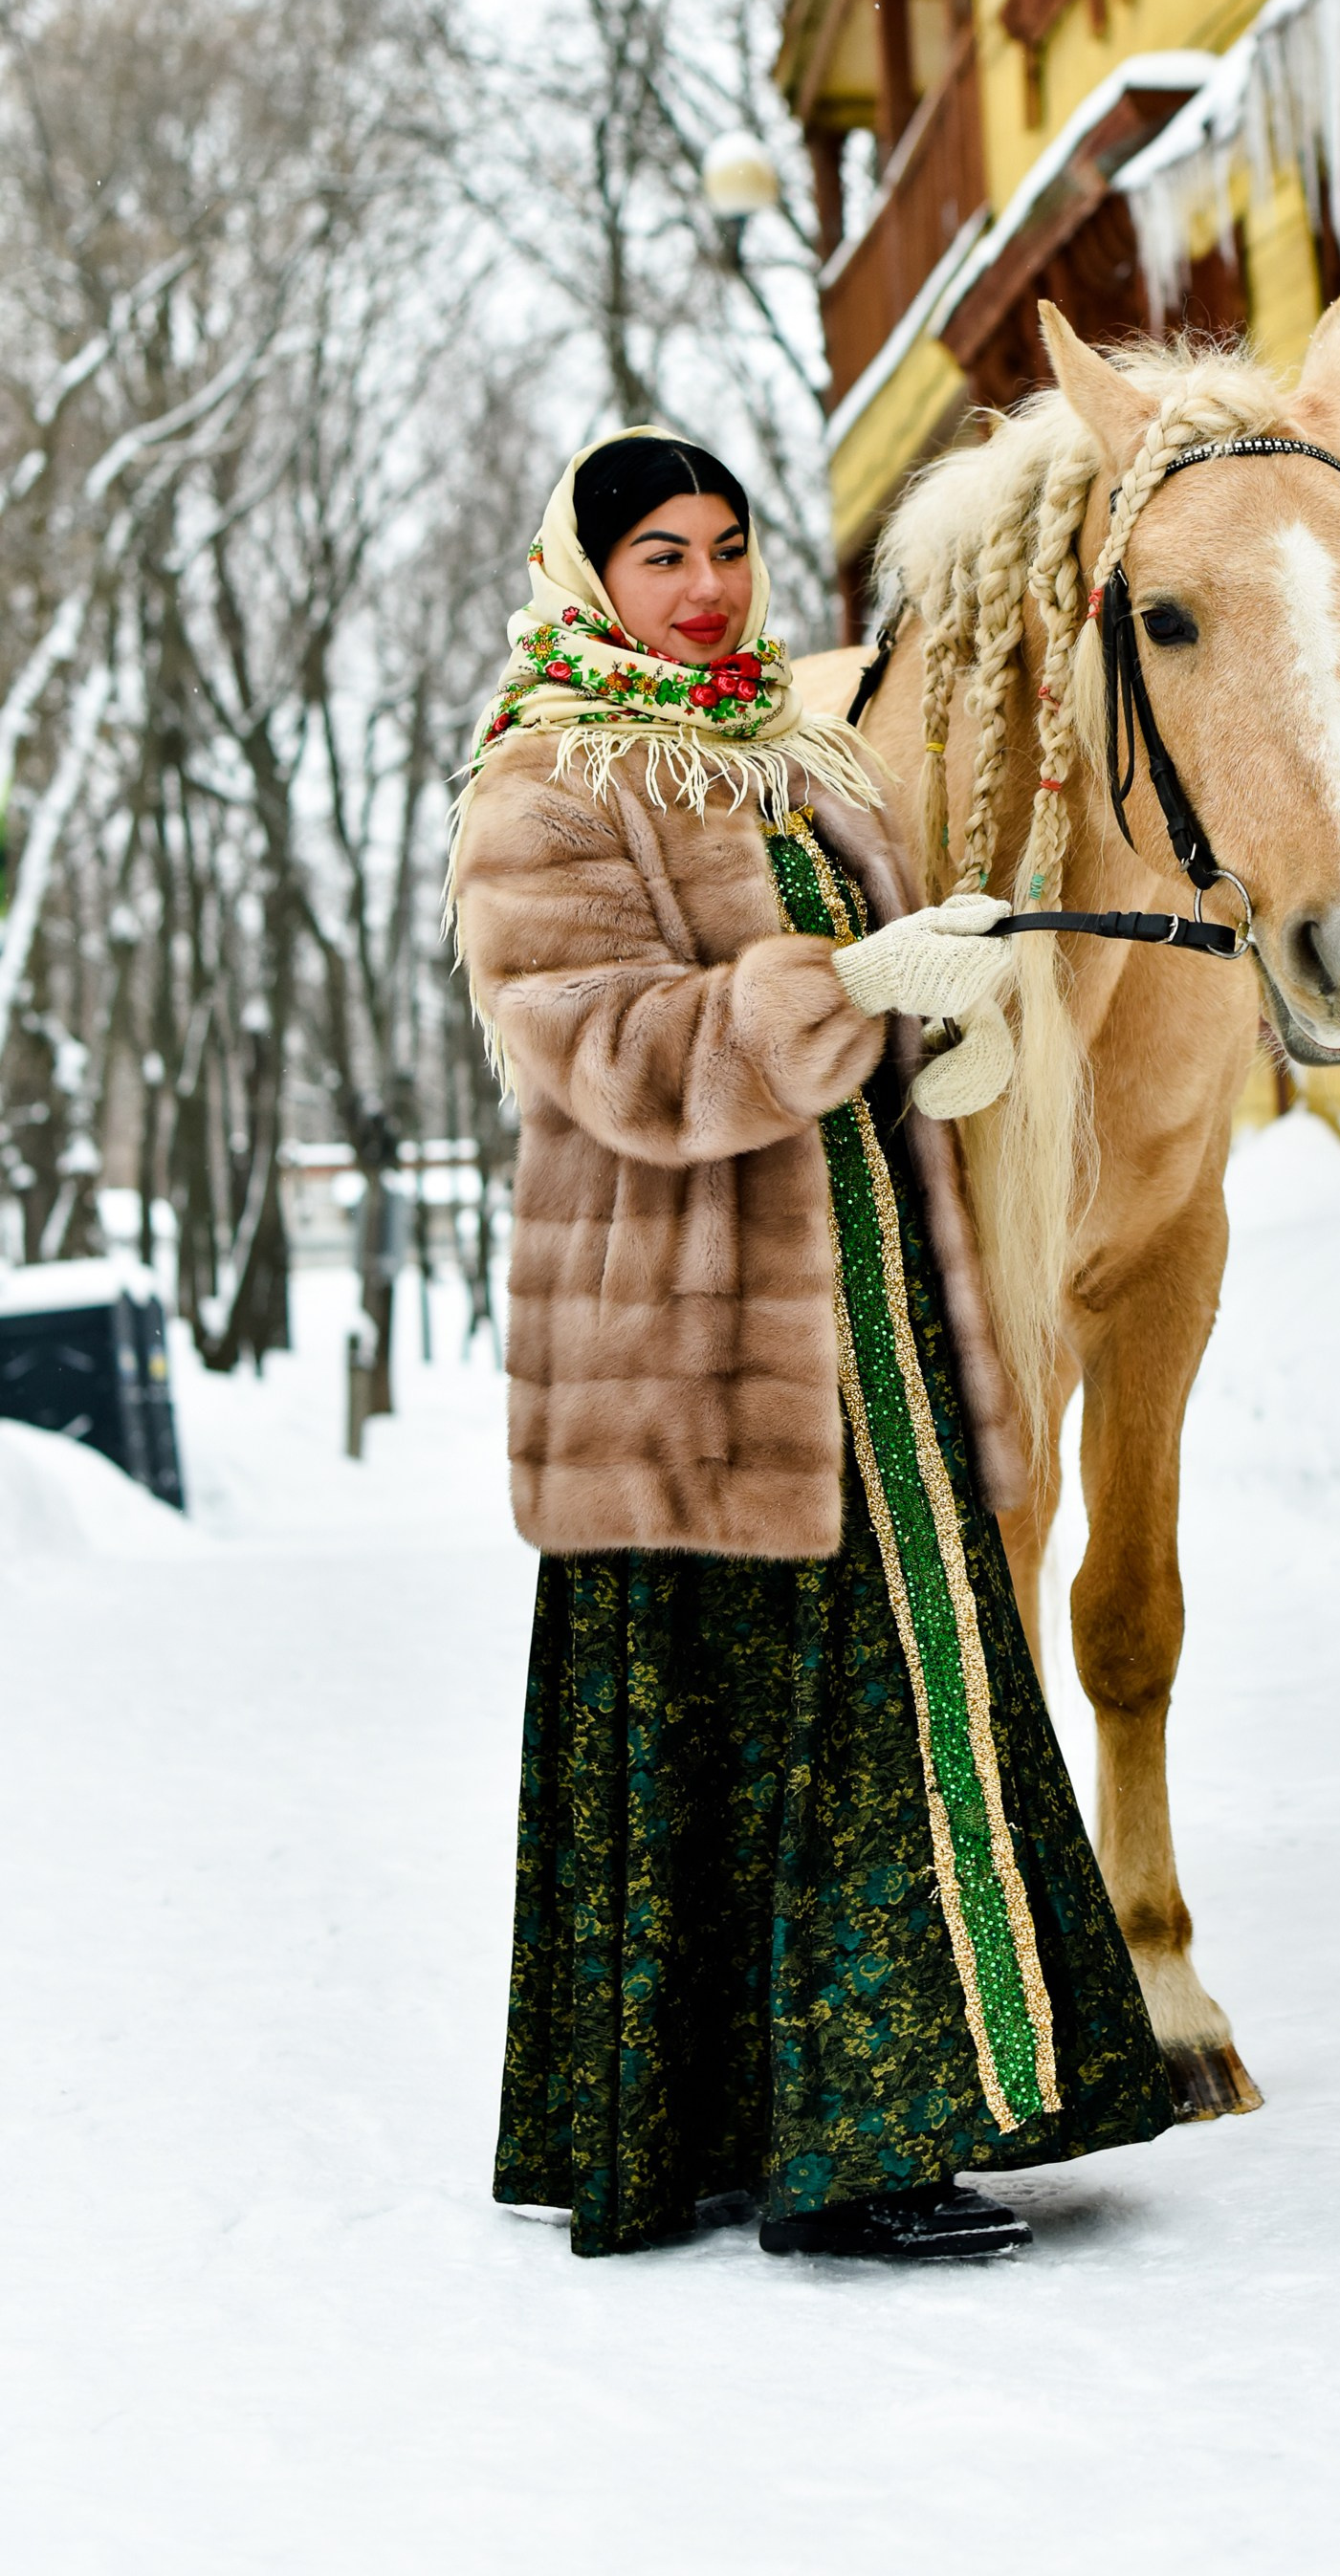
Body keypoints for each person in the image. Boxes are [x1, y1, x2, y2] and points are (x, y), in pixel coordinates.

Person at [449, 426, 1172, 2264]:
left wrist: (950, 1025)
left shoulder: (801, 760)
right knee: (789, 1723)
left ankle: (870, 2117)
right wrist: (838, 988)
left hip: (875, 1320)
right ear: (589, 577)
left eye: (726, 546)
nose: (705, 588)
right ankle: (846, 2160)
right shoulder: (546, 781)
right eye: (661, 557)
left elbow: (871, 1001)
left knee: (906, 1700)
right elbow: (606, 1050)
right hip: (692, 1357)